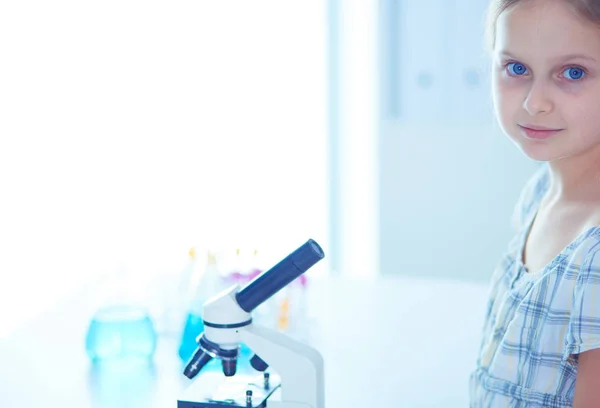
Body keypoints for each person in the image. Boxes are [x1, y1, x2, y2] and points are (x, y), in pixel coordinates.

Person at [470, 0, 600, 406]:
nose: (535, 102)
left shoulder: (595, 252)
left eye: (573, 73)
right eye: (516, 69)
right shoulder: (539, 193)